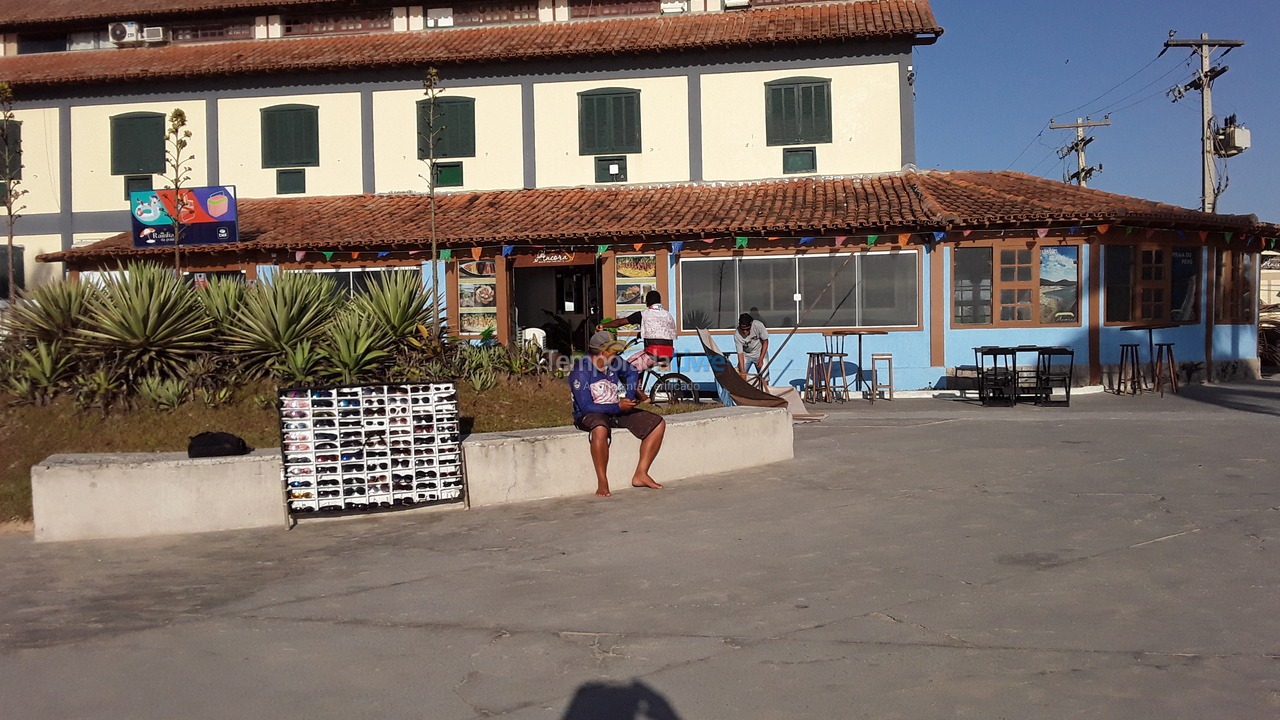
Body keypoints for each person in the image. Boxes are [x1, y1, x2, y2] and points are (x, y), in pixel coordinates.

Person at [570, 330, 666, 497]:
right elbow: (586, 407)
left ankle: (641, 474)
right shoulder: (581, 371)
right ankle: (602, 481)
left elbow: (632, 372)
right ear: (603, 352)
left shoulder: (614, 362)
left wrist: (629, 398)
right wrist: (618, 407)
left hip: (616, 409)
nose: (616, 355)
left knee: (657, 424)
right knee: (600, 429)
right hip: (591, 413)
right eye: (613, 351)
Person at [599, 290, 678, 372]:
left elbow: (620, 322)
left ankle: (632, 385)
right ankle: (639, 384)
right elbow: (662, 330)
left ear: (646, 303)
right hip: (669, 354)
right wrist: (642, 333)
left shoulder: (643, 314)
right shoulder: (668, 315)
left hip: (653, 353)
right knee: (638, 368)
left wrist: (603, 325)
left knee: (627, 368)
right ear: (660, 302)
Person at [732, 312, 770, 386]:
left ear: (751, 325)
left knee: (764, 376)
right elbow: (740, 354)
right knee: (740, 376)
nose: (745, 332)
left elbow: (765, 342)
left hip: (760, 353)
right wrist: (742, 372)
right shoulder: (737, 335)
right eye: (742, 329)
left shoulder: (758, 325)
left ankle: (765, 393)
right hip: (746, 355)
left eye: (747, 329)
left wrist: (761, 358)